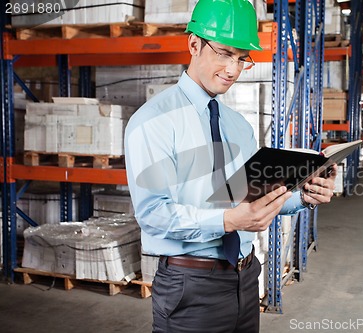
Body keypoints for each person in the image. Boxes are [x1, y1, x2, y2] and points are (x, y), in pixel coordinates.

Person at [124, 1, 336, 332]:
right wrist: (226, 220)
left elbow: (252, 196)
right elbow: (153, 215)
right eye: (224, 53)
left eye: (242, 59)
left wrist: (305, 195)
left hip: (246, 276)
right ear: (194, 44)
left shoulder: (238, 125)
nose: (233, 70)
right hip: (190, 284)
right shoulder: (153, 121)